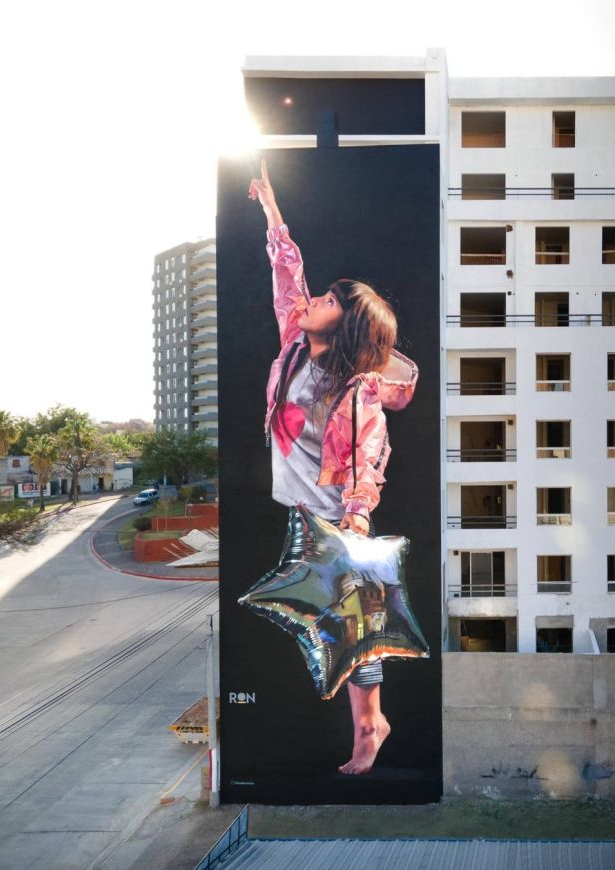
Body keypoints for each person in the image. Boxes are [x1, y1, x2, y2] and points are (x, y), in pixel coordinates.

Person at [248, 159, 419, 775]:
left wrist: (355, 526)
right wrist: (272, 210)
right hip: (302, 515)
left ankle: (370, 726)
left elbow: (366, 464)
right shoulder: (295, 344)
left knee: (352, 624)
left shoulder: (356, 390)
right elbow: (286, 278)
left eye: (325, 300)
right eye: (318, 295)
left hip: (335, 520)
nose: (311, 300)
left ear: (344, 323)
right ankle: (369, 722)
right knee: (333, 624)